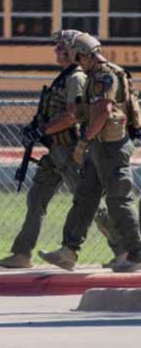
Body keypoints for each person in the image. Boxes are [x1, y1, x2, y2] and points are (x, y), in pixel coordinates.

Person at [0, 30, 123, 269]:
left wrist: (42, 131)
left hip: (70, 152)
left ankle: (124, 249)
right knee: (36, 200)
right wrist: (35, 129)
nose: (56, 51)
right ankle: (22, 253)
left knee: (90, 204)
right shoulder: (64, 77)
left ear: (72, 51)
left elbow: (72, 116)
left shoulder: (75, 78)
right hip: (56, 152)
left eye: (60, 47)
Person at [39, 33, 141, 272]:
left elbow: (104, 111)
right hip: (99, 146)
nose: (79, 64)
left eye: (79, 59)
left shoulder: (103, 75)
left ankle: (136, 254)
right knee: (85, 197)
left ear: (85, 55)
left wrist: (83, 142)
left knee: (118, 200)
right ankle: (69, 251)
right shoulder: (100, 74)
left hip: (110, 147)